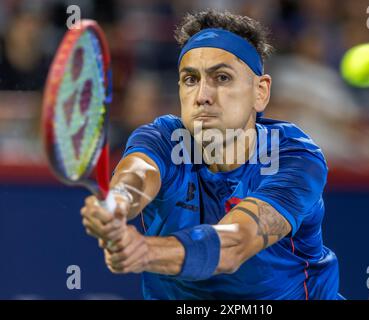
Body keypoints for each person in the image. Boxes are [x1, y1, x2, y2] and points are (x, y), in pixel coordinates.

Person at [80, 9, 342, 300]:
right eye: (190, 79)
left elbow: (234, 243)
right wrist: (118, 201)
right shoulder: (161, 139)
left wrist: (143, 251)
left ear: (260, 92)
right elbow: (139, 174)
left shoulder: (295, 157)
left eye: (222, 77)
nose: (203, 95)